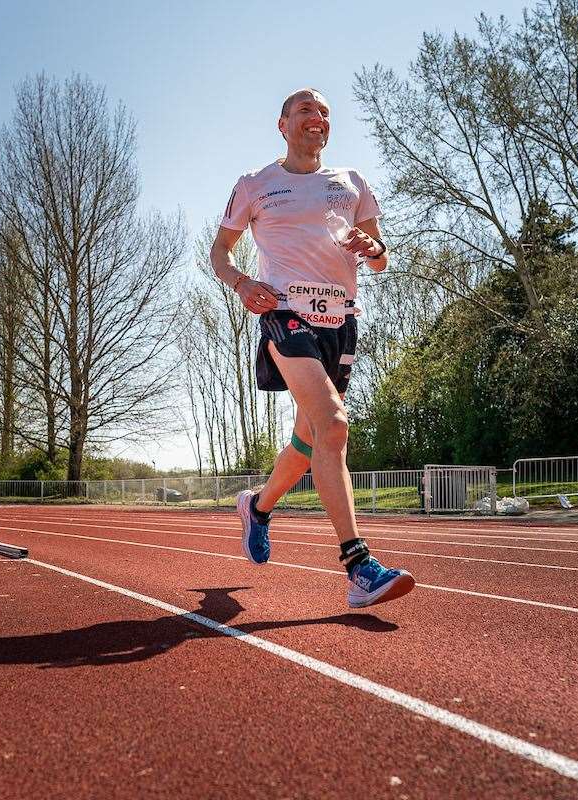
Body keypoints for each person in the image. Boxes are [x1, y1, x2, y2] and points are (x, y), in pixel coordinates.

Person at [208, 88, 415, 608]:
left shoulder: (351, 183)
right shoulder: (256, 184)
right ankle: (359, 566)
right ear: (283, 124)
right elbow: (220, 251)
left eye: (324, 112)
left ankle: (257, 506)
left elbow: (380, 256)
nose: (316, 117)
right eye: (305, 110)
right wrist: (241, 284)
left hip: (341, 323)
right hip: (285, 314)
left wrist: (374, 249)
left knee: (308, 442)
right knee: (335, 424)